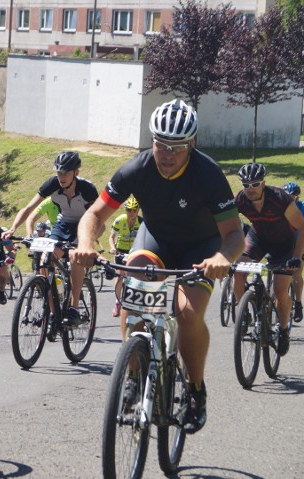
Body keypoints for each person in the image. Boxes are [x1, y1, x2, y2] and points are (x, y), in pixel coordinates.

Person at [72, 99, 245, 435]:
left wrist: (223, 258)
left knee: (188, 313)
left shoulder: (208, 175)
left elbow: (235, 235)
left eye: (177, 148)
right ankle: (134, 374)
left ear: (191, 145)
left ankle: (195, 390)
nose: (167, 154)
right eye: (161, 144)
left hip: (201, 248)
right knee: (132, 293)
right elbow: (94, 215)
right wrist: (85, 244)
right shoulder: (137, 169)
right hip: (156, 242)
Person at [2, 151, 99, 327]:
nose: (61, 177)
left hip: (84, 223)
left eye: (65, 172)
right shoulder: (52, 184)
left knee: (75, 256)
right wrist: (13, 227)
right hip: (63, 224)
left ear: (75, 173)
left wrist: (89, 240)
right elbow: (29, 208)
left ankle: (74, 307)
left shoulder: (87, 189)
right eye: (58, 172)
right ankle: (54, 312)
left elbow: (97, 217)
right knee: (45, 262)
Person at [232, 164, 304, 350]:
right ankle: (245, 313)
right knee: (238, 271)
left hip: (284, 244)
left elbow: (302, 227)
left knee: (280, 290)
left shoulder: (280, 199)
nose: (250, 189)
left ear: (263, 183)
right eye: (246, 184)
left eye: (255, 184)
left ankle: (282, 330)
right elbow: (228, 226)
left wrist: (296, 256)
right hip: (258, 238)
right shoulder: (240, 199)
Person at [108, 196, 143, 317]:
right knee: (120, 276)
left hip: (134, 251)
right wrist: (113, 248)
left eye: (134, 210)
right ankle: (118, 302)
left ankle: (134, 303)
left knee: (136, 278)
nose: (131, 213)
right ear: (125, 210)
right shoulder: (119, 220)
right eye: (129, 210)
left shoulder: (141, 222)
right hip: (120, 251)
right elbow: (111, 237)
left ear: (138, 210)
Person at [284, 181, 304, 321]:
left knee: (297, 273)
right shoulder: (279, 206)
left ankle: (297, 303)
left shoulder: (302, 207)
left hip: (300, 242)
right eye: (288, 196)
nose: (291, 198)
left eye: (294, 196)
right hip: (283, 242)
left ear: (297, 197)